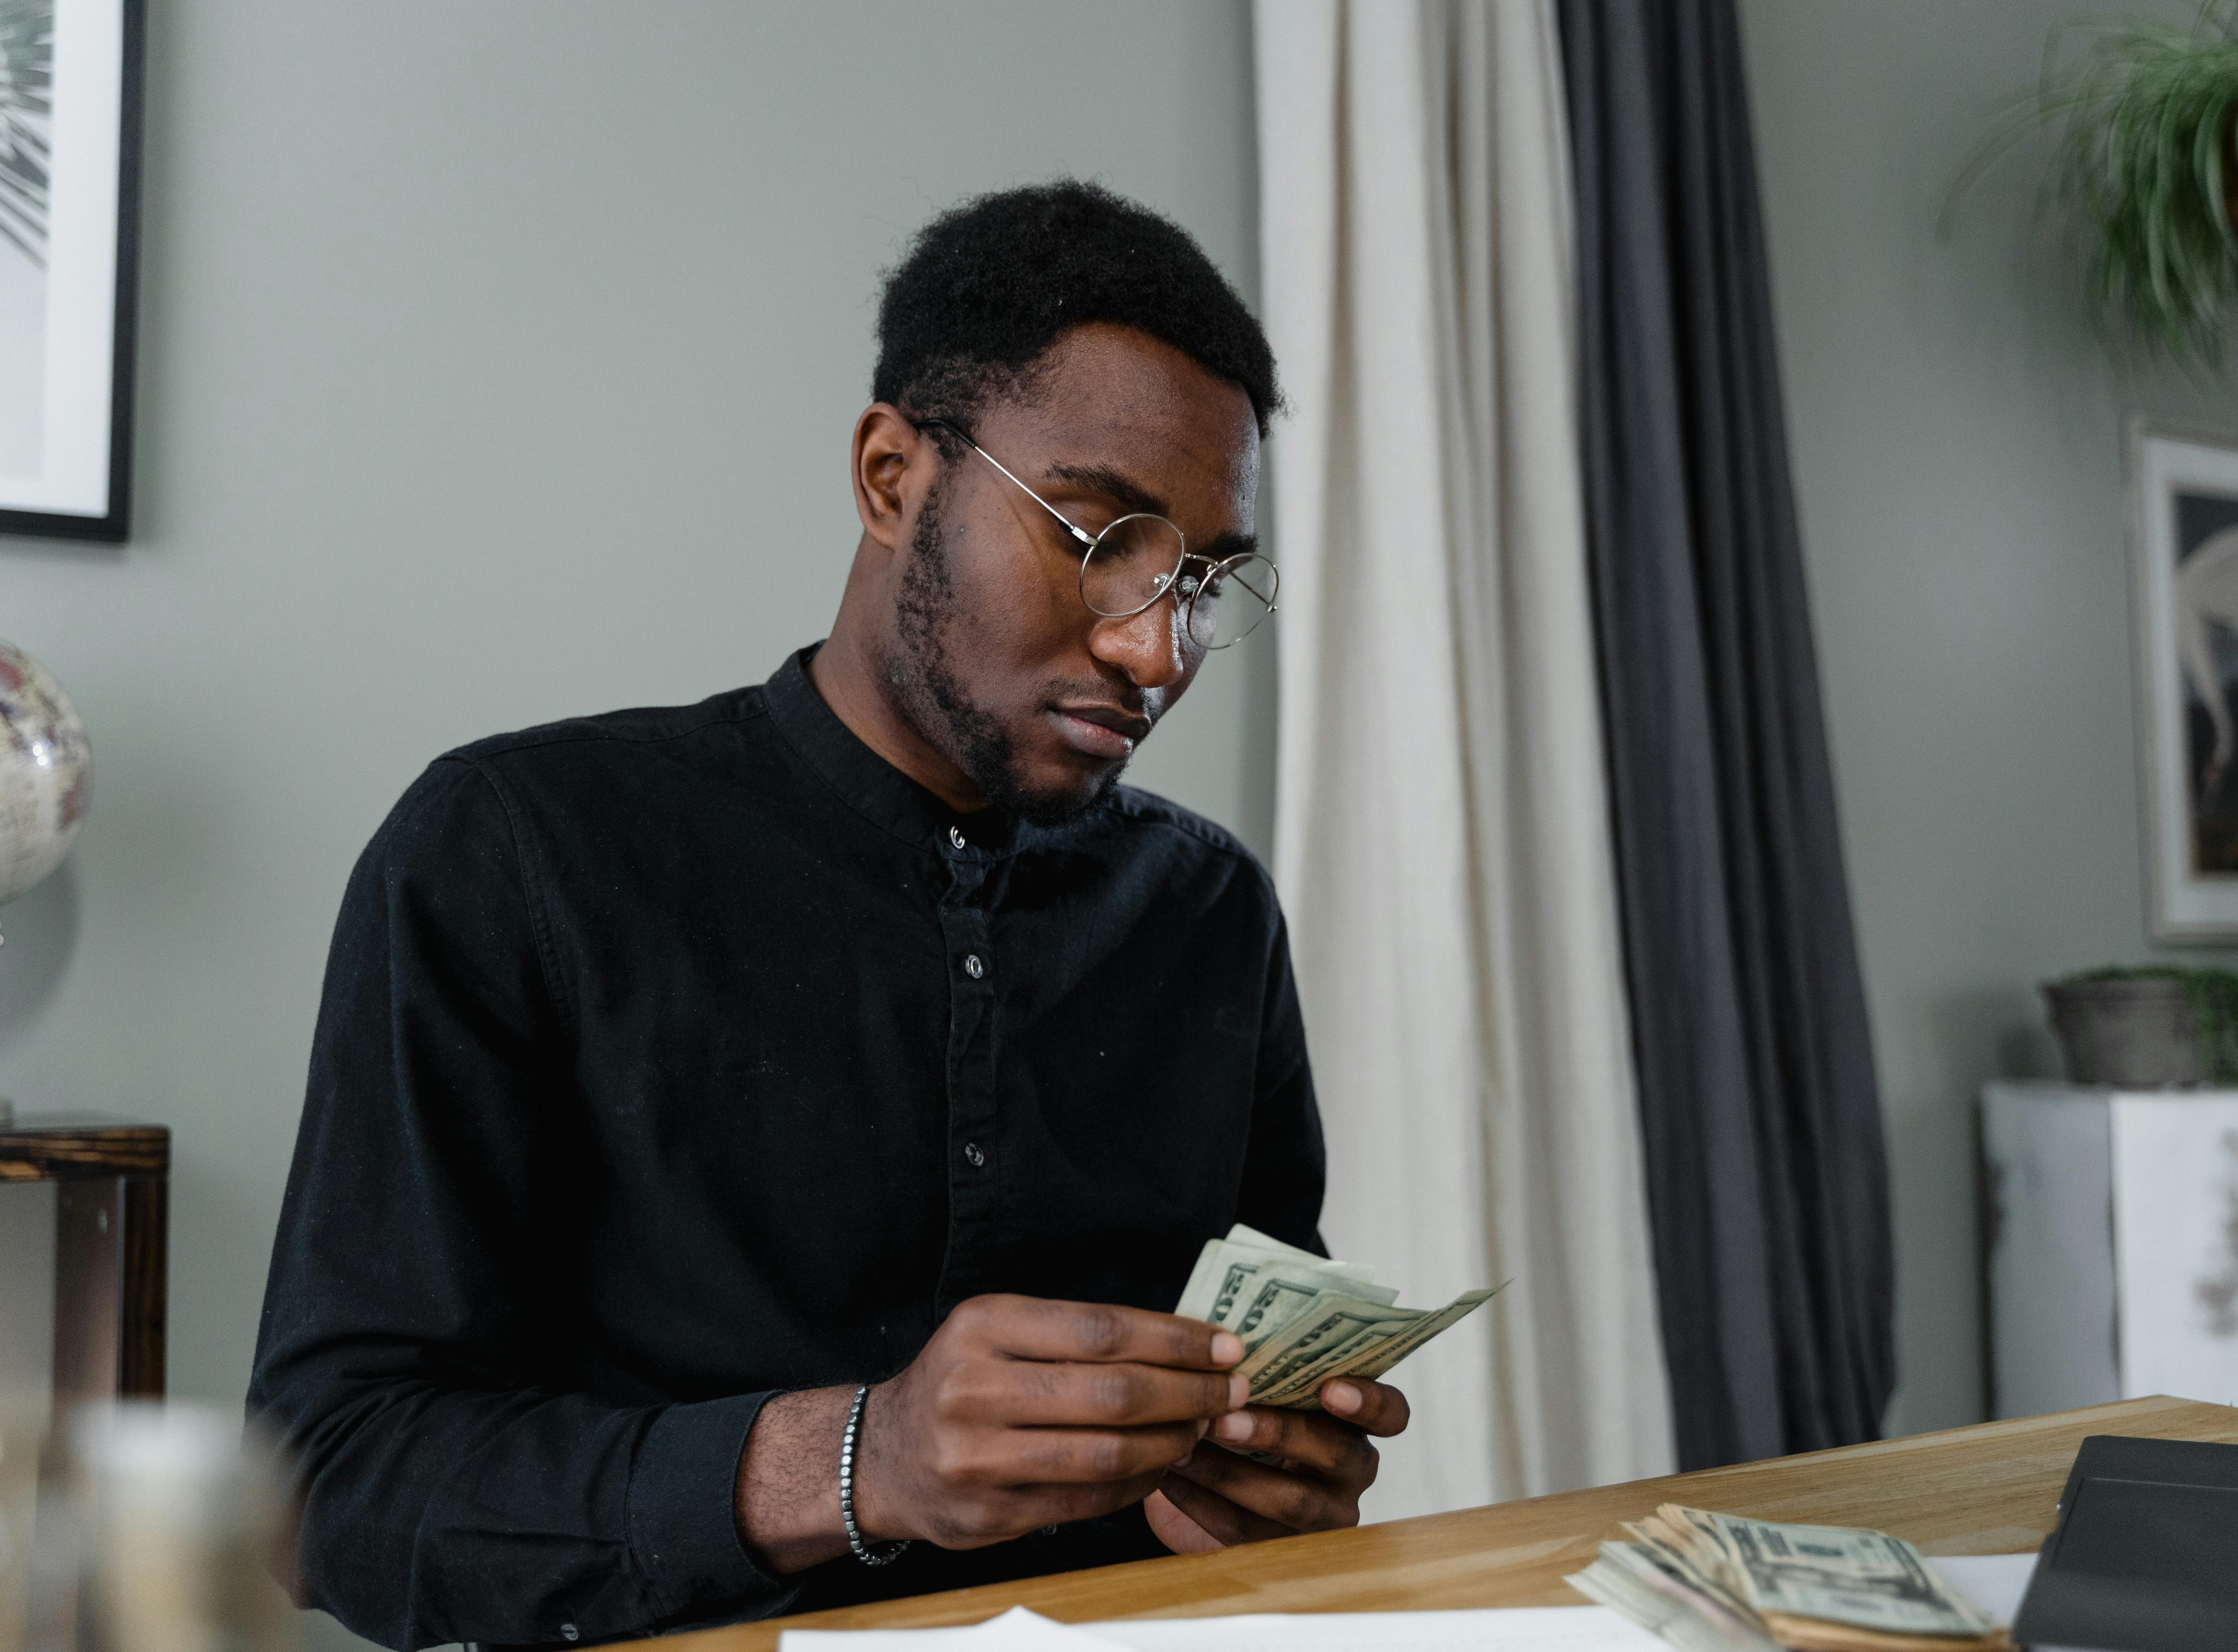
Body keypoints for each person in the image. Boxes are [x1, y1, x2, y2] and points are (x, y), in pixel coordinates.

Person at [248, 180, 1413, 1652]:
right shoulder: (515, 849)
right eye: (1103, 536)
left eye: (1202, 580)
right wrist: (857, 1458)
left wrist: (1264, 1479)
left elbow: (1255, 1426)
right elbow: (323, 1485)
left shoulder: (1210, 912)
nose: (1152, 646)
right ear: (889, 477)